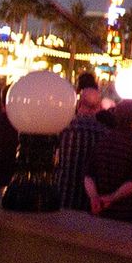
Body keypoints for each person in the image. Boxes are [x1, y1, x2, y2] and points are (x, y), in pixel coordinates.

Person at [84, 100, 132, 224]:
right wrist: (111, 198)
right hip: (129, 215)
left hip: (101, 212)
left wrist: (94, 198)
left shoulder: (104, 139)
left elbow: (89, 176)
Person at [56, 80, 107, 209]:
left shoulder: (63, 127)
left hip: (63, 193)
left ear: (78, 104)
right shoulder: (105, 133)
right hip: (89, 199)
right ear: (99, 107)